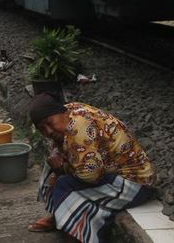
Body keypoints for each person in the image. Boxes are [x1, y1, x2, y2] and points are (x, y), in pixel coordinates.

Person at [28, 94, 156, 242]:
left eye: (50, 123)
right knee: (52, 161)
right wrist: (59, 158)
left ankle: (75, 234)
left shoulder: (79, 126)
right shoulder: (69, 111)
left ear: (60, 112)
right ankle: (59, 215)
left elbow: (90, 176)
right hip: (111, 173)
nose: (48, 131)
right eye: (42, 129)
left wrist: (62, 168)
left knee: (64, 184)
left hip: (136, 184)